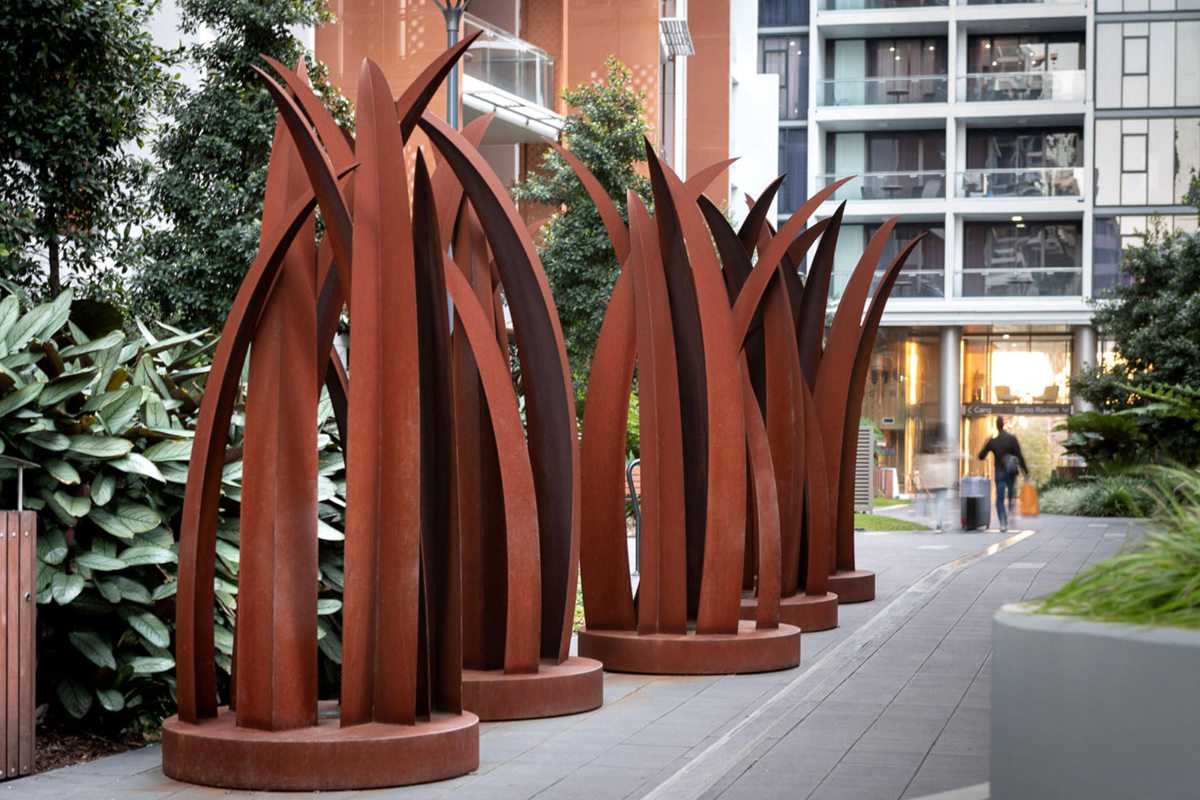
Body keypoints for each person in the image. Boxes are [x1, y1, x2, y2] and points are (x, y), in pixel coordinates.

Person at [978, 417, 1029, 532]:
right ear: (1004, 425)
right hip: (1011, 472)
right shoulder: (1012, 439)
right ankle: (1011, 510)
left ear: (997, 426)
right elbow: (1019, 456)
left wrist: (988, 442)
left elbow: (981, 456)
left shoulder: (993, 441)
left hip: (999, 472)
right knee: (1011, 494)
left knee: (1000, 498)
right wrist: (1025, 472)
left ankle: (1003, 522)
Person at [917, 424, 956, 531]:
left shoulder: (930, 442)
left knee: (940, 501)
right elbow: (953, 454)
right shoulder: (947, 442)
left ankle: (943, 521)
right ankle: (939, 524)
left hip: (933, 477)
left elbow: (924, 459)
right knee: (941, 500)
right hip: (944, 477)